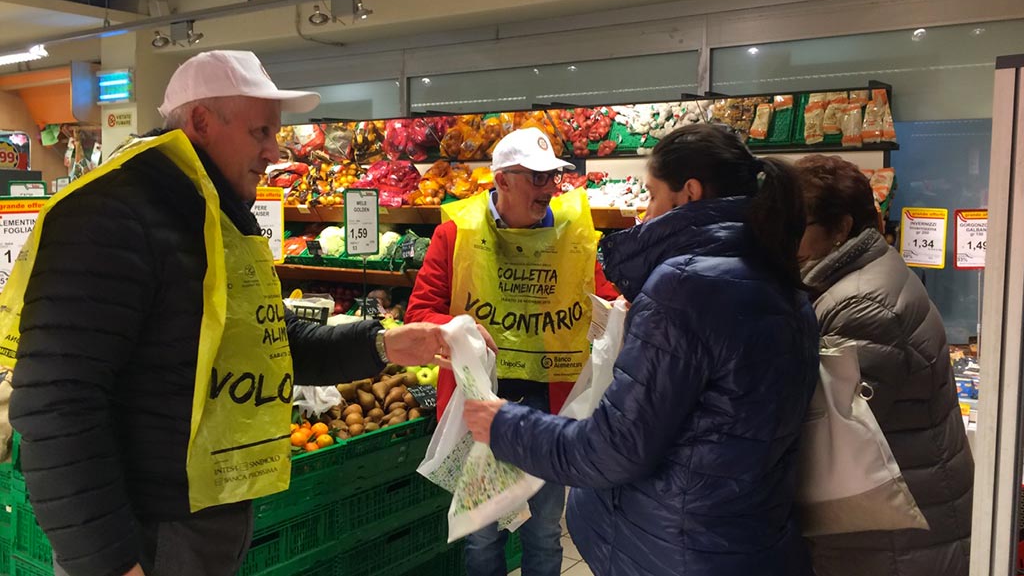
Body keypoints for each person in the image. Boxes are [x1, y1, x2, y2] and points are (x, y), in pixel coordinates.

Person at [3, 50, 464, 576]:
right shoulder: (114, 214)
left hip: (204, 514)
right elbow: (56, 402)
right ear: (201, 121)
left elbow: (264, 340)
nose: (275, 151)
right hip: (150, 533)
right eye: (260, 132)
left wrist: (384, 344)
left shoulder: (209, 209)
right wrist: (107, 562)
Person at [463, 124, 820, 576]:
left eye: (652, 194)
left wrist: (503, 425)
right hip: (751, 538)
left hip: (675, 547)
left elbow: (614, 449)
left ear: (688, 193)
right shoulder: (782, 277)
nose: (646, 211)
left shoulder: (684, 286)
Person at [405, 126, 618, 576]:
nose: (548, 189)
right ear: (501, 180)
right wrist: (459, 327)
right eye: (536, 178)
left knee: (543, 530)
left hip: (548, 408)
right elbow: (420, 313)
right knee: (483, 534)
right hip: (480, 405)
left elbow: (602, 300)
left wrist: (619, 311)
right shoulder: (455, 233)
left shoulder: (573, 235)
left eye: (552, 178)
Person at [793, 154, 973, 576]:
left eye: (796, 225)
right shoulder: (854, 275)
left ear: (840, 229)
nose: (782, 237)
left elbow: (832, 430)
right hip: (898, 523)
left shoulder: (863, 303)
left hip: (892, 540)